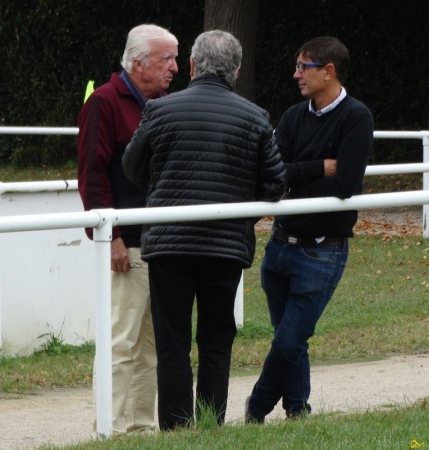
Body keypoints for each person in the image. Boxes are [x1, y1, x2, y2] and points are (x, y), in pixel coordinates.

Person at [122, 30, 287, 431]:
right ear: (236, 70)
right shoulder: (255, 117)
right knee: (216, 340)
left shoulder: (159, 111)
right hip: (224, 247)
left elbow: (132, 168)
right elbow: (275, 185)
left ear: (193, 66)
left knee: (172, 341)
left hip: (168, 244)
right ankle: (212, 424)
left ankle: (178, 428)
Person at [245, 36, 374, 423]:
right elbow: (273, 174)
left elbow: (345, 184)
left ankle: (256, 408)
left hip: (322, 251)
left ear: (328, 71)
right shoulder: (292, 116)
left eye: (304, 67)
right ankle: (298, 411)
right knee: (291, 340)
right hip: (280, 246)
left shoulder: (357, 117)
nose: (296, 74)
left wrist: (295, 178)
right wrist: (319, 166)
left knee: (288, 341)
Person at [77, 24, 178, 435]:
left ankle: (139, 427)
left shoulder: (164, 103)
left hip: (160, 241)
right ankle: (110, 428)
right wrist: (111, 235)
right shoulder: (104, 101)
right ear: (138, 63)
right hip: (125, 243)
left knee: (151, 346)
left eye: (175, 57)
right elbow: (91, 173)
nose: (174, 66)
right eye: (166, 58)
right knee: (121, 341)